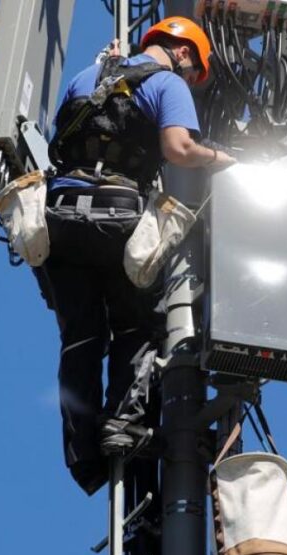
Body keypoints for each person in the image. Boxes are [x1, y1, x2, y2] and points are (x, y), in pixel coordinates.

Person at [40, 16, 236, 497]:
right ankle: (122, 427)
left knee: (80, 340)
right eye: (195, 75)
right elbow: (178, 147)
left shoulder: (88, 75)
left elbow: (57, 140)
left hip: (60, 215)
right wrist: (226, 159)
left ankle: (83, 456)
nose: (190, 82)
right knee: (139, 326)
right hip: (116, 212)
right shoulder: (167, 81)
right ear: (185, 53)